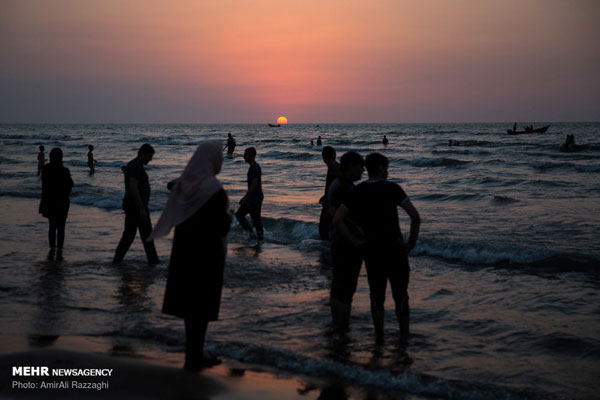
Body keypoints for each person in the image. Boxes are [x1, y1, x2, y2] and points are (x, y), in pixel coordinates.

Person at [148, 142, 232, 371]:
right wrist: (230, 217)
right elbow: (220, 225)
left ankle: (192, 354)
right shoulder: (213, 188)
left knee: (190, 308)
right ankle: (195, 356)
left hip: (185, 252)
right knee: (201, 307)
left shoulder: (185, 186)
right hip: (206, 254)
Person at [334, 153, 420, 344]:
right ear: (381, 168)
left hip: (371, 251)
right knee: (400, 294)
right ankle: (404, 338)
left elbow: (337, 219)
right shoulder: (393, 189)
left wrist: (355, 241)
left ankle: (379, 338)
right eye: (386, 168)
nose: (387, 172)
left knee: (377, 295)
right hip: (395, 249)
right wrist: (411, 243)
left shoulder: (357, 191)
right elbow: (415, 216)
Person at [327, 152, 365, 332]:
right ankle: (343, 328)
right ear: (350, 166)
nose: (363, 170)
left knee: (338, 286)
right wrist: (356, 239)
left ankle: (337, 325)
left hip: (337, 240)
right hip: (346, 243)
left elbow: (331, 211)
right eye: (360, 166)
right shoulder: (346, 188)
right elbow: (338, 216)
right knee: (346, 289)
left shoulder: (337, 183)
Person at [113, 144, 159, 264]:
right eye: (149, 156)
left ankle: (117, 261)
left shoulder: (134, 165)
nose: (150, 159)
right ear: (142, 153)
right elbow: (133, 188)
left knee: (130, 235)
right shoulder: (136, 166)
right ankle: (153, 262)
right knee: (144, 235)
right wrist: (142, 208)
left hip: (133, 205)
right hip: (135, 206)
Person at [39, 148, 74, 261]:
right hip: (62, 201)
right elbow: (70, 184)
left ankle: (52, 248)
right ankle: (59, 249)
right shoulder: (64, 170)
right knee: (61, 226)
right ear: (61, 157)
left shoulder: (46, 169)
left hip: (49, 200)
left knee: (52, 226)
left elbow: (44, 184)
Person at [235, 147, 264, 240]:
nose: (244, 156)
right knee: (239, 214)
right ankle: (252, 234)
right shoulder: (253, 167)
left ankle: (259, 239)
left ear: (251, 155)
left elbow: (254, 184)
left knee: (256, 220)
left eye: (246, 154)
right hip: (253, 197)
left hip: (255, 198)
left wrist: (245, 197)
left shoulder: (254, 168)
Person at [318, 146, 340, 241]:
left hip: (330, 203)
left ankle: (327, 249)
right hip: (332, 201)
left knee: (323, 228)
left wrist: (327, 197)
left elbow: (333, 186)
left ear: (324, 157)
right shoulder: (336, 166)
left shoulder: (333, 168)